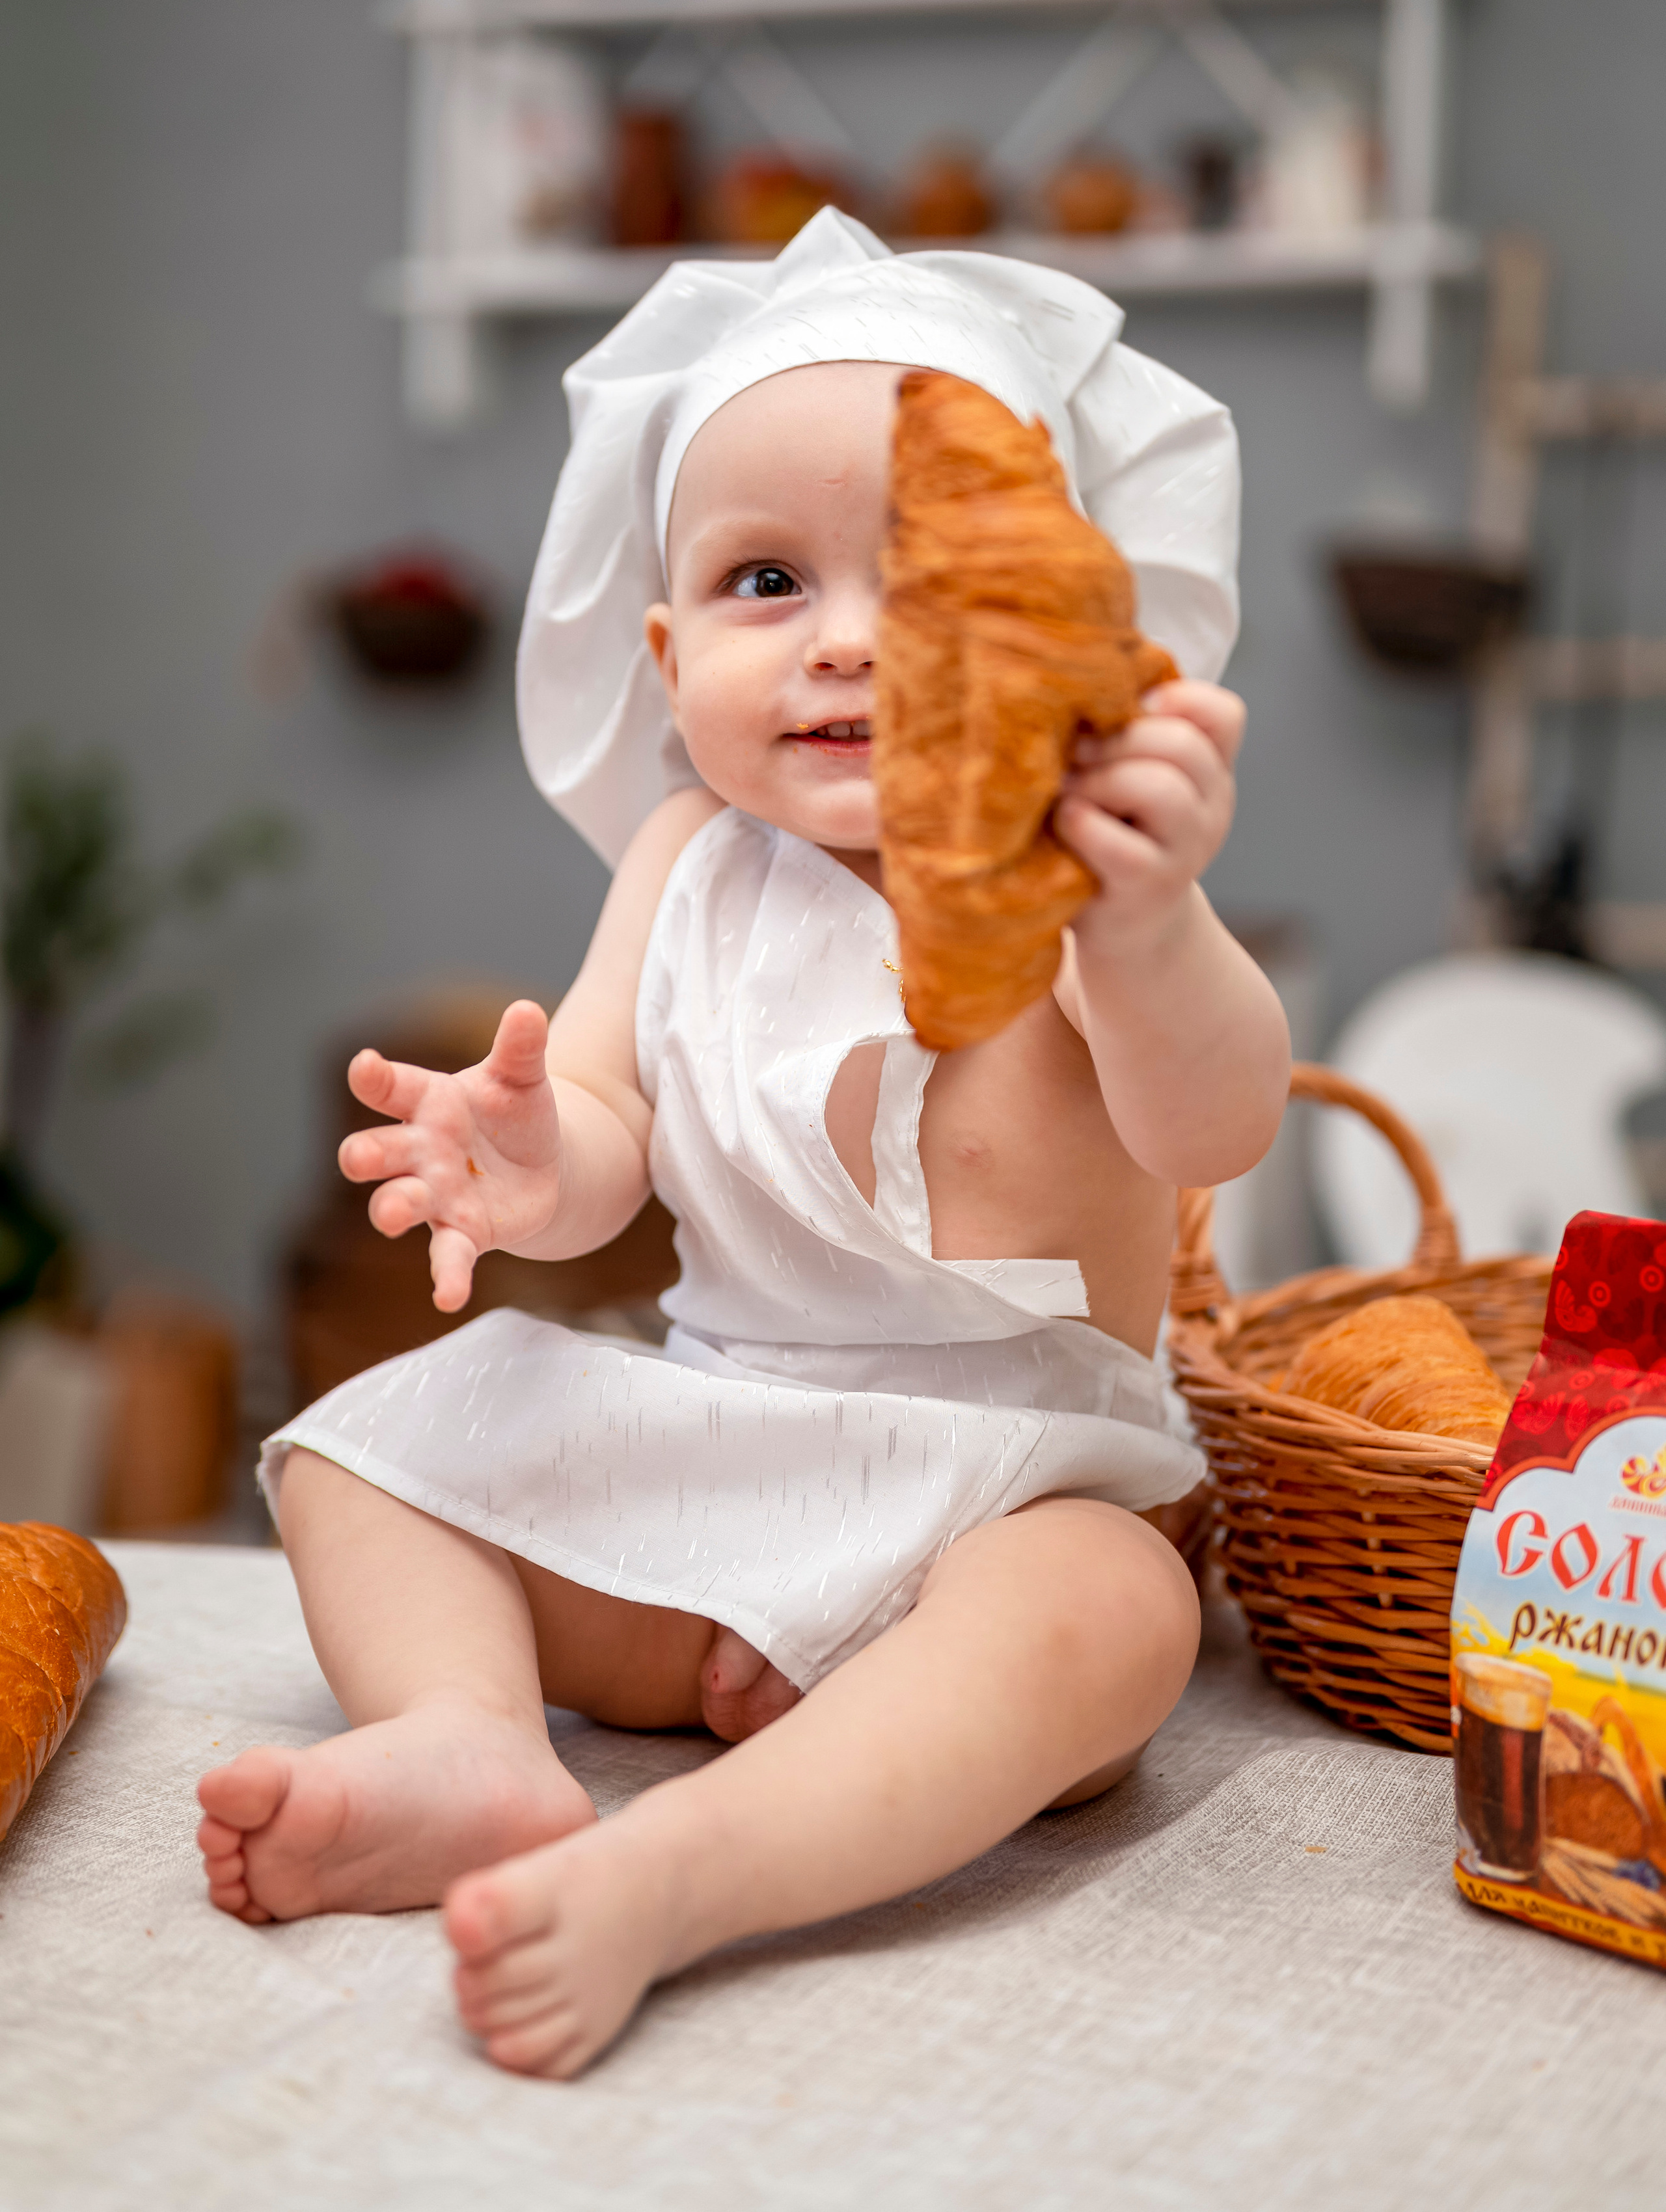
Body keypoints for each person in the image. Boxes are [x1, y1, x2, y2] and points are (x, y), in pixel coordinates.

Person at [196, 212, 1289, 2079]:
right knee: (363, 1448)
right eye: (767, 580)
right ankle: (470, 1742)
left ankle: (693, 1871)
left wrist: (1156, 920)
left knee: (1112, 1612)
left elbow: (1216, 1115)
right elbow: (614, 1128)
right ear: (664, 642)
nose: (847, 644)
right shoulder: (686, 864)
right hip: (729, 1441)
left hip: (1005, 1490)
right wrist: (532, 1161)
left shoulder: (1072, 880)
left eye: (925, 584)